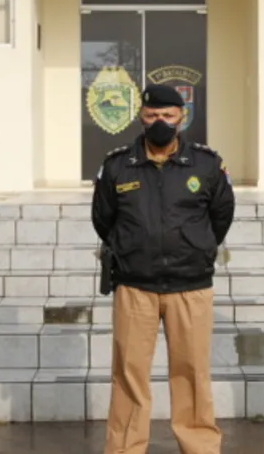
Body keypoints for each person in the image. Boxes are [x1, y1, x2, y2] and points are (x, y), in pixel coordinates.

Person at [90, 83, 235, 454]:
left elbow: (221, 217)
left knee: (192, 375)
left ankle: (200, 448)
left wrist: (196, 248)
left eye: (167, 115)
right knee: (129, 376)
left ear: (181, 117)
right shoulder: (117, 165)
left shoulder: (206, 164)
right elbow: (103, 219)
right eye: (152, 114)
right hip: (135, 287)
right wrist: (131, 249)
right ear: (140, 116)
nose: (160, 122)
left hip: (191, 286)